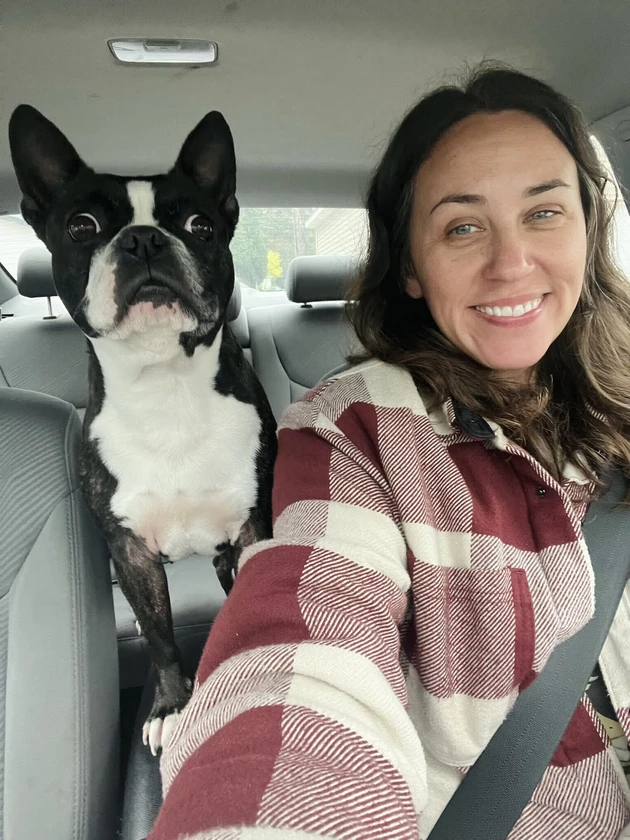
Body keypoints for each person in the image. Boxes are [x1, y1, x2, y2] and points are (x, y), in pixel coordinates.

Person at [147, 63, 630, 840]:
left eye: (544, 212)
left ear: (588, 225)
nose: (511, 262)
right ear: (410, 266)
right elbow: (308, 640)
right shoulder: (355, 428)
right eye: (462, 227)